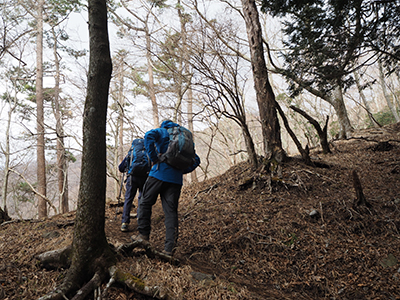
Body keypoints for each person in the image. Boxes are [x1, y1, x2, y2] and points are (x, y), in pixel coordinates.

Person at [134, 120, 200, 256]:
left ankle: (143, 236)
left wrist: (154, 158)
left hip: (158, 174)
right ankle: (169, 248)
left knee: (145, 202)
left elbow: (148, 136)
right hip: (176, 180)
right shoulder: (185, 139)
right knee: (171, 213)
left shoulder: (162, 132)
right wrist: (181, 171)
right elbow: (196, 159)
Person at [118, 138, 149, 232]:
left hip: (132, 178)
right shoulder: (147, 153)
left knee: (128, 199)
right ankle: (141, 221)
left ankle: (124, 223)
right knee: (141, 198)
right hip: (144, 178)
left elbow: (120, 168)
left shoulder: (130, 153)